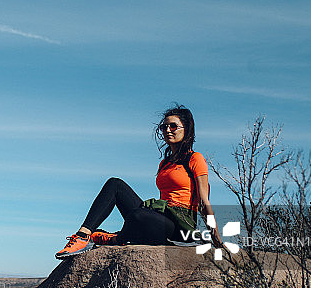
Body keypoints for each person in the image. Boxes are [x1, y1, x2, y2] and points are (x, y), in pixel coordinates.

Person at [56, 105, 223, 259]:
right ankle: (83, 236)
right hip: (160, 217)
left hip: (179, 226)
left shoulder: (195, 159)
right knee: (115, 184)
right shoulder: (165, 163)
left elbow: (204, 201)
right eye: (163, 127)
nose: (167, 130)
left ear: (186, 129)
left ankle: (117, 238)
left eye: (173, 126)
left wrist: (216, 239)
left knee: (138, 216)